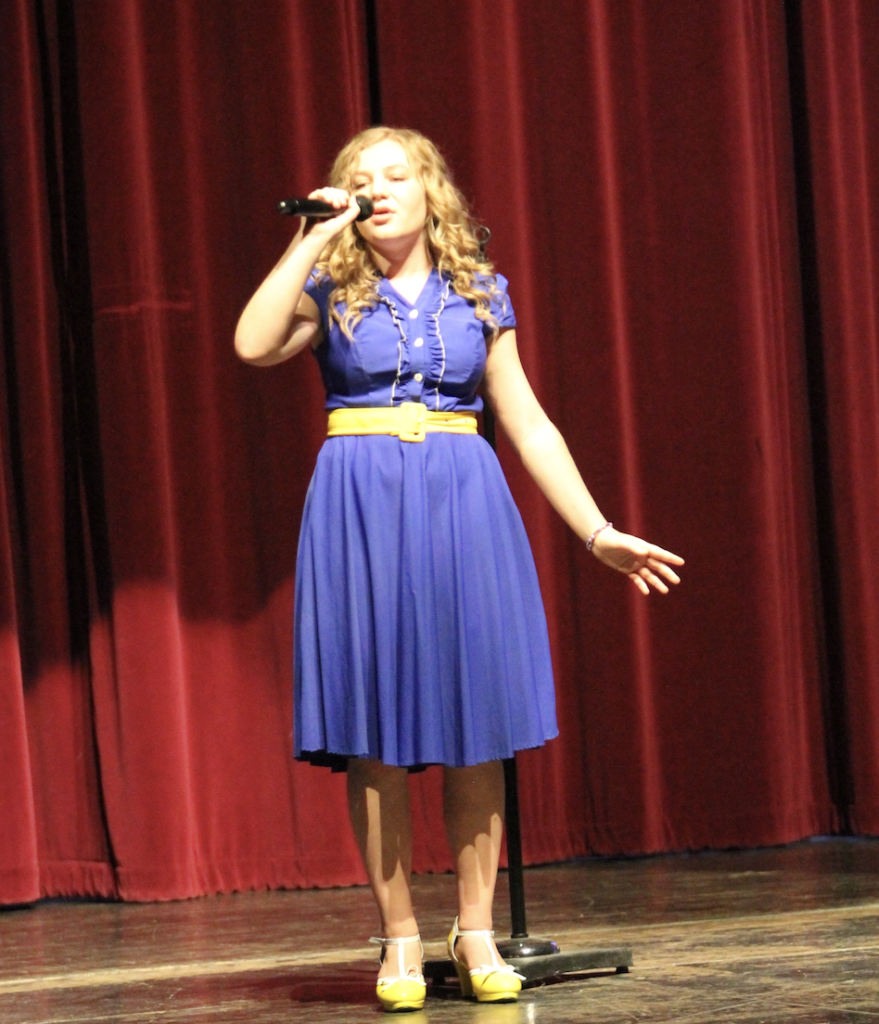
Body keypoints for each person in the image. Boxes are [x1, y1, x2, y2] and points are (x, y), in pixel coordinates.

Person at [235, 126, 684, 1012]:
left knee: (475, 725)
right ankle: (400, 937)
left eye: (394, 174)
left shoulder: (478, 290)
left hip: (462, 501)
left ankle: (473, 930)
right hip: (360, 506)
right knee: (374, 732)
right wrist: (311, 239)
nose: (376, 188)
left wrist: (595, 532)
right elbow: (252, 344)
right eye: (359, 178)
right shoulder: (328, 287)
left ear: (429, 189)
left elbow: (527, 422)